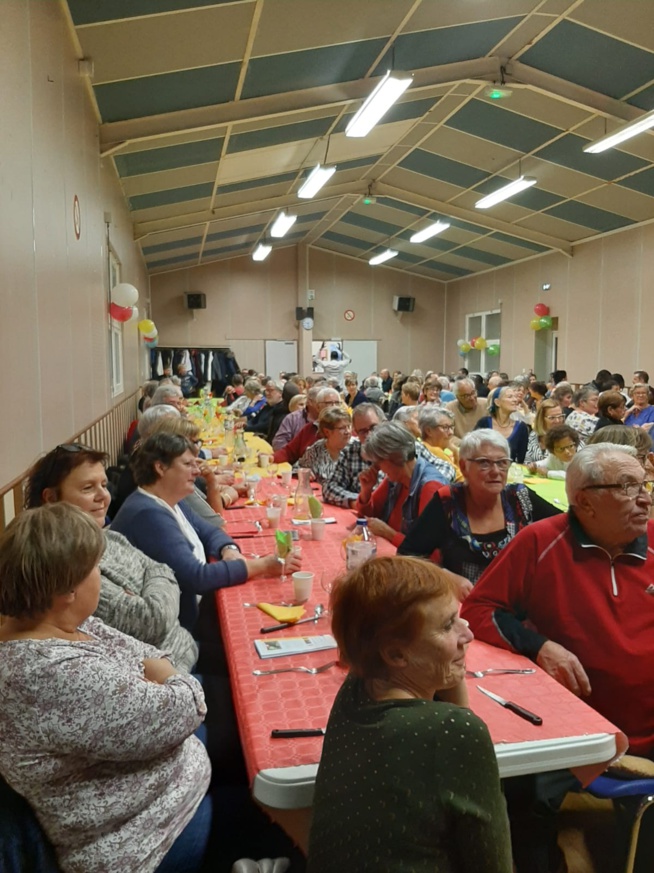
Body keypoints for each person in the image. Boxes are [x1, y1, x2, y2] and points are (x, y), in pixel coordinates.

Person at [0, 504, 211, 873]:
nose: (100, 575)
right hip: (143, 843)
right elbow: (186, 705)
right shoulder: (45, 673)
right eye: (95, 568)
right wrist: (166, 679)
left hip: (162, 793)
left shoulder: (62, 623)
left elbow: (151, 653)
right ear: (67, 589)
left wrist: (162, 676)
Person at [307, 555, 512, 873]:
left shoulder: (358, 685)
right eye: (447, 625)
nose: (468, 634)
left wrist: (450, 661)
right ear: (395, 654)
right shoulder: (454, 732)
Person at [461, 443, 654, 756]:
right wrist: (539, 646)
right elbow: (479, 610)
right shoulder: (541, 542)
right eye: (627, 488)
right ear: (584, 501)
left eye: (644, 484)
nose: (645, 499)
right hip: (585, 733)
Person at [24, 444, 198, 671]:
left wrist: (154, 582)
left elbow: (163, 569)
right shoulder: (69, 567)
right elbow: (152, 620)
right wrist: (156, 582)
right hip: (168, 677)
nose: (103, 497)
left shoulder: (109, 536)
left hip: (185, 650)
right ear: (51, 498)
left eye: (104, 485)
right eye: (88, 488)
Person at [111, 433, 300, 630]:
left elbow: (211, 531)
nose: (196, 471)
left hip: (197, 609)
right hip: (184, 627)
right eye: (188, 465)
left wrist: (228, 549)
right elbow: (197, 577)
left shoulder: (169, 500)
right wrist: (264, 565)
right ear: (160, 467)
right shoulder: (148, 514)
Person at [399, 431, 560, 586]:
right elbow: (407, 556)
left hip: (519, 604)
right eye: (484, 463)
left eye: (502, 462)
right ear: (463, 467)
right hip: (466, 605)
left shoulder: (520, 497)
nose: (496, 471)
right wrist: (447, 578)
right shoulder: (448, 502)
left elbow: (564, 528)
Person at [355, 422, 453, 546]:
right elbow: (366, 518)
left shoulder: (430, 486)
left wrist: (389, 533)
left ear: (395, 457)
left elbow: (427, 550)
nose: (377, 468)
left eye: (379, 462)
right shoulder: (396, 478)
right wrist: (366, 490)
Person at [322, 403, 385, 509]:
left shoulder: (400, 452)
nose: (369, 435)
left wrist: (368, 500)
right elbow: (329, 488)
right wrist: (358, 501)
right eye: (363, 431)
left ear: (384, 424)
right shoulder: (351, 452)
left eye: (373, 427)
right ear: (356, 433)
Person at [273, 386, 341, 465]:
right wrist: (272, 458)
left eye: (337, 403)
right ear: (318, 407)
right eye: (328, 403)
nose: (334, 407)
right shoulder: (309, 428)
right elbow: (289, 451)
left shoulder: (346, 429)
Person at [474, 386, 529, 463]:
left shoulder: (521, 427)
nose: (515, 400)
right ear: (497, 402)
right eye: (510, 397)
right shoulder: (484, 423)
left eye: (515, 397)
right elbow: (473, 449)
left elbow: (521, 459)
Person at [298, 407, 352, 484]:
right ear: (327, 432)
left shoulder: (358, 449)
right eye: (342, 428)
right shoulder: (317, 448)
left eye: (349, 426)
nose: (348, 431)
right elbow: (299, 467)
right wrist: (304, 472)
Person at [418, 404, 463, 482]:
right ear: (428, 431)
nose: (451, 432)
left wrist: (455, 452)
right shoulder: (434, 451)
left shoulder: (424, 446)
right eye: (445, 428)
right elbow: (462, 480)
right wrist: (456, 453)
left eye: (451, 427)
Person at [524, 399, 566, 465]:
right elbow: (527, 459)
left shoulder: (569, 437)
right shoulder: (534, 435)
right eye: (552, 418)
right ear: (542, 419)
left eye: (560, 416)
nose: (557, 421)